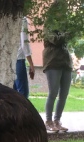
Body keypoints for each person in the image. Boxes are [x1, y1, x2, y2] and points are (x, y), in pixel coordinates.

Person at [42, 0, 73, 133]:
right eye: (62, 9)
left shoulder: (65, 26)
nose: (64, 12)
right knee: (53, 93)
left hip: (65, 62)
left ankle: (57, 121)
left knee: (64, 94)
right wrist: (66, 34)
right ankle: (48, 121)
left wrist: (68, 33)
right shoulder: (48, 25)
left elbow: (66, 38)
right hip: (53, 61)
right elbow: (54, 39)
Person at [13, 17, 35, 99]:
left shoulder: (9, 15)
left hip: (10, 60)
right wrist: (31, 64)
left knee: (13, 92)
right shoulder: (22, 19)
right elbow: (24, 43)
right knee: (23, 94)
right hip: (19, 60)